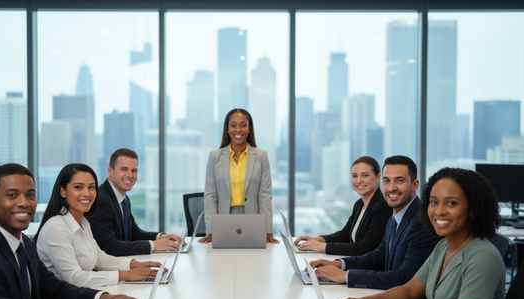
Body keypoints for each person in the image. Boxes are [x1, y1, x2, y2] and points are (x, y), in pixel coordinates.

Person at [0, 163, 142, 299]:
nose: (24, 203)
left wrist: (103, 298)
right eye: (12, 195)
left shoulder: (23, 243)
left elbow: (53, 288)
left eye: (30, 195)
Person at [332, 167, 506, 299]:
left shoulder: (483, 257)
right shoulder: (444, 246)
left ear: (473, 209)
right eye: (433, 202)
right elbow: (408, 291)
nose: (439, 211)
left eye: (451, 203)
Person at [310, 156, 439, 299]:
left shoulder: (421, 222)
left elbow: (404, 278)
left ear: (415, 185)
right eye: (387, 181)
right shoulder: (395, 217)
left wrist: (346, 276)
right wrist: (339, 264)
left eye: (399, 181)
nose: (391, 188)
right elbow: (379, 255)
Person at [35, 163, 162, 288]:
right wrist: (125, 275)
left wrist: (135, 264)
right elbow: (74, 278)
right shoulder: (57, 228)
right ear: (63, 191)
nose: (87, 193)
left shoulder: (83, 222)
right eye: (78, 187)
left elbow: (100, 259)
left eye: (91, 187)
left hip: (83, 295)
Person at [199, 108, 278, 244]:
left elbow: (265, 195)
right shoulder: (215, 157)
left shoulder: (261, 156)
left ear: (249, 129)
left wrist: (267, 229)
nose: (238, 130)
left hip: (253, 220)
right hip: (223, 220)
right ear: (228, 129)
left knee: (253, 260)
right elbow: (211, 195)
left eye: (243, 125)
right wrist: (211, 230)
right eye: (233, 125)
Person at [89, 148, 182, 256]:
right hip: (107, 270)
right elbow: (110, 247)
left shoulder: (124, 198)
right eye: (124, 169)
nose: (130, 175)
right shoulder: (100, 200)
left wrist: (160, 237)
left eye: (134, 170)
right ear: (110, 171)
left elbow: (133, 232)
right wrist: (153, 245)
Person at [294, 156, 391, 255]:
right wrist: (319, 239)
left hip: (366, 266)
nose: (358, 181)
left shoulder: (383, 207)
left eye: (365, 175)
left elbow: (365, 247)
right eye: (354, 176)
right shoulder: (359, 204)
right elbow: (344, 235)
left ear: (378, 177)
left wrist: (323, 247)